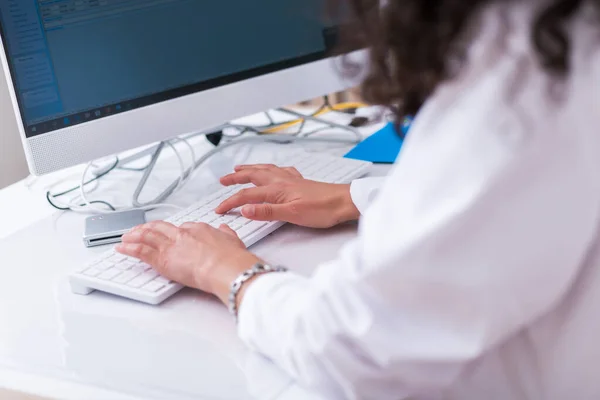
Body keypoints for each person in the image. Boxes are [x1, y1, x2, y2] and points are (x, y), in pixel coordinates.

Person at [116, 0, 600, 398]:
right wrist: (355, 196)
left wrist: (227, 274)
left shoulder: (519, 90)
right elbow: (520, 199)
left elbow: (350, 351)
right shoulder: (564, 35)